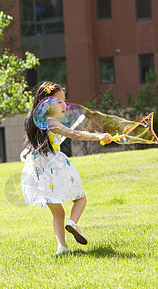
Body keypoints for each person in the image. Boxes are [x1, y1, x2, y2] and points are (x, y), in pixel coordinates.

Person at [21, 81, 112, 255]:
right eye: (59, 101)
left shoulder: (32, 121)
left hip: (39, 170)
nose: (65, 105)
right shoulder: (51, 122)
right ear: (45, 104)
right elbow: (74, 134)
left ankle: (62, 247)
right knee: (80, 198)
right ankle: (73, 222)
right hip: (54, 166)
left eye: (64, 100)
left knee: (57, 212)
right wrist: (98, 135)